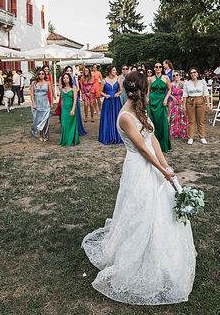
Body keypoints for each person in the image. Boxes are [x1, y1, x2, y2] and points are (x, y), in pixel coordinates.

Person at [81, 71, 196, 304]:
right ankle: (136, 254)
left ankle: (159, 251)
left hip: (153, 163)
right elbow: (142, 149)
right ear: (140, 91)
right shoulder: (125, 116)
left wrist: (166, 166)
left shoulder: (140, 110)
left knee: (160, 210)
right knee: (141, 210)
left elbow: (152, 139)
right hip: (139, 168)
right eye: (146, 90)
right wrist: (160, 170)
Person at [148, 62, 172, 152]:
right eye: (156, 67)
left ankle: (163, 145)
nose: (158, 68)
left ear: (162, 68)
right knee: (152, 121)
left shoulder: (166, 78)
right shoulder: (150, 79)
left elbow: (169, 89)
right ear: (154, 68)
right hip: (152, 100)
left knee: (162, 122)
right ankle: (153, 145)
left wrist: (166, 98)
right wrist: (147, 98)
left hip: (162, 101)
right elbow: (148, 90)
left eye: (160, 67)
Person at [183, 67, 210, 145]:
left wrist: (208, 104)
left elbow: (206, 93)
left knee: (201, 120)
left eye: (194, 72)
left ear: (198, 73)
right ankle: (190, 137)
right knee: (191, 121)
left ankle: (202, 137)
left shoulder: (202, 82)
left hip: (200, 101)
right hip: (190, 101)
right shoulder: (187, 83)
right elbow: (185, 94)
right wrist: (184, 105)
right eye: (191, 73)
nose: (193, 74)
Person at [99, 66, 123, 144]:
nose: (115, 71)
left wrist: (118, 93)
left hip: (116, 101)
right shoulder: (104, 81)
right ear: (109, 71)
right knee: (108, 117)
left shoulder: (118, 79)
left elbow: (121, 90)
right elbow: (100, 92)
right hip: (108, 101)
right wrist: (105, 95)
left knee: (116, 117)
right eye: (113, 70)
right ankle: (107, 136)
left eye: (115, 70)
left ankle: (117, 136)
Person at [31, 69, 53, 142]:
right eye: (40, 74)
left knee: (45, 120)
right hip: (37, 104)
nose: (41, 75)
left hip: (45, 103)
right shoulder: (33, 83)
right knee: (38, 120)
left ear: (44, 75)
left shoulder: (48, 82)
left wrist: (52, 102)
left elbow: (51, 93)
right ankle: (40, 134)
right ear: (37, 75)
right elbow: (31, 94)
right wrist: (33, 103)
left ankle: (45, 134)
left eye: (42, 73)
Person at [59, 73, 79, 146]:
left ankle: (71, 140)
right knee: (64, 124)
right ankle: (65, 140)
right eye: (64, 78)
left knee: (71, 124)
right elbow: (62, 100)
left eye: (67, 78)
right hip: (64, 109)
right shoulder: (62, 88)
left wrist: (73, 109)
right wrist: (61, 108)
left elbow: (75, 100)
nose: (65, 79)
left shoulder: (73, 87)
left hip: (71, 108)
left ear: (70, 79)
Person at [169, 71, 188, 140]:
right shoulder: (171, 84)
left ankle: (182, 133)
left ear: (179, 76)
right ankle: (174, 133)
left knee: (182, 116)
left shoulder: (183, 83)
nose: (175, 77)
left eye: (177, 75)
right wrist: (173, 97)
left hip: (181, 101)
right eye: (174, 76)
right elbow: (169, 93)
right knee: (174, 117)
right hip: (173, 101)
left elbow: (186, 92)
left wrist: (183, 98)